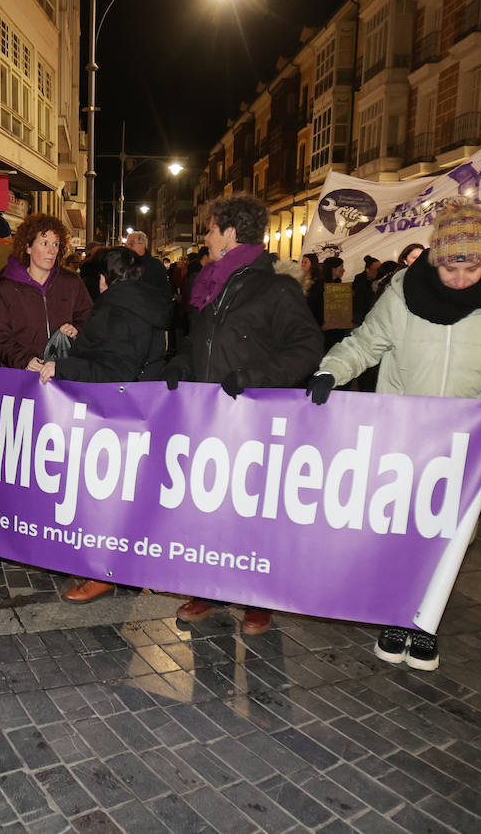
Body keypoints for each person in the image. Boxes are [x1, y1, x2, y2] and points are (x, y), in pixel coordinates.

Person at [307, 200, 481, 671]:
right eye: (453, 264)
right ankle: (396, 613)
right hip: (405, 432)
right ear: (436, 257)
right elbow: (367, 342)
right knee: (401, 526)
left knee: (448, 534)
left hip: (465, 440)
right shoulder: (402, 294)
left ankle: (424, 624)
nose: (461, 276)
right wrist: (331, 371)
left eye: (472, 266)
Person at [166, 193, 324, 635]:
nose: (207, 237)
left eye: (211, 229)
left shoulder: (276, 286)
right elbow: (199, 341)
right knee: (212, 505)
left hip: (255, 416)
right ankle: (210, 590)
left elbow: (307, 349)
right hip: (209, 416)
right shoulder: (210, 283)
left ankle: (259, 598)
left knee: (254, 510)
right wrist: (180, 365)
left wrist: (253, 376)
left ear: (230, 233)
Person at [39, 246, 172, 603]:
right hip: (139, 413)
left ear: (102, 280)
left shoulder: (114, 310)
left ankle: (102, 574)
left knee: (103, 498)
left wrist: (64, 367)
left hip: (112, 417)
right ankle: (125, 570)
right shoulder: (145, 307)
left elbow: (114, 371)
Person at [0, 214, 92, 371]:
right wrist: (24, 360)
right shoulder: (6, 289)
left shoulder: (72, 282)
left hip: (63, 373)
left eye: (56, 244)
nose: (51, 250)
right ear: (28, 247)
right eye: (44, 243)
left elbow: (89, 318)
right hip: (22, 377)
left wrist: (77, 329)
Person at [125, 230, 172, 298]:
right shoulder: (125, 264)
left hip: (152, 305)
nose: (128, 247)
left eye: (131, 244)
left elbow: (165, 290)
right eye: (127, 244)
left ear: (143, 244)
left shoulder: (156, 265)